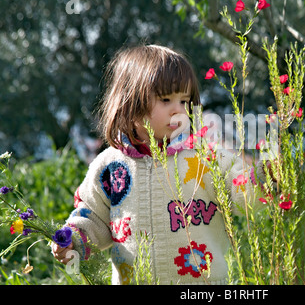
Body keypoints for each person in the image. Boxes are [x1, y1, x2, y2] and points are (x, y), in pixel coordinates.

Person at [51, 44, 264, 284]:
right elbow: (94, 218)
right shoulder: (110, 166)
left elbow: (241, 191)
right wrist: (72, 239)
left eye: (185, 101)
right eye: (166, 100)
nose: (178, 111)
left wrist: (265, 179)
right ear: (130, 102)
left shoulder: (205, 156)